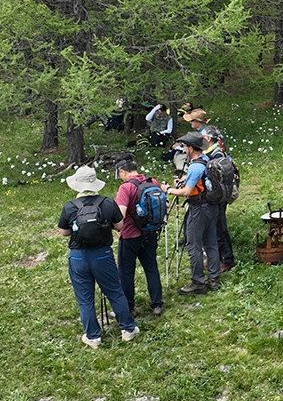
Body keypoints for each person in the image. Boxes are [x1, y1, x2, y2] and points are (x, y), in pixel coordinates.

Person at [57, 165, 140, 348]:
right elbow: (119, 226)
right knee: (115, 292)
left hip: (78, 257)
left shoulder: (70, 207)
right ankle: (128, 329)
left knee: (85, 298)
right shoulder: (108, 203)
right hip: (102, 255)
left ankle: (93, 336)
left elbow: (64, 232)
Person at [161, 132, 221, 294]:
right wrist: (185, 179)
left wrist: (169, 189)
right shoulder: (206, 159)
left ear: (191, 149)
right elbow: (198, 178)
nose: (184, 149)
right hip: (211, 206)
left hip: (198, 208)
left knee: (193, 244)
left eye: (186, 146)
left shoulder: (195, 166)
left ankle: (198, 282)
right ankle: (214, 279)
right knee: (211, 242)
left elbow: (187, 192)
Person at [183, 108, 235, 270]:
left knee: (219, 226)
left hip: (216, 194)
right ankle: (218, 256)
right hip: (212, 194)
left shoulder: (215, 154)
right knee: (214, 227)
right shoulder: (211, 151)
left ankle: (227, 258)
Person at [114, 158, 164, 318]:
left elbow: (119, 215)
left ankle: (129, 308)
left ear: (123, 172)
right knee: (151, 268)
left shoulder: (125, 188)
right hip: (150, 233)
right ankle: (157, 304)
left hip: (130, 235)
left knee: (126, 273)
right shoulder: (153, 182)